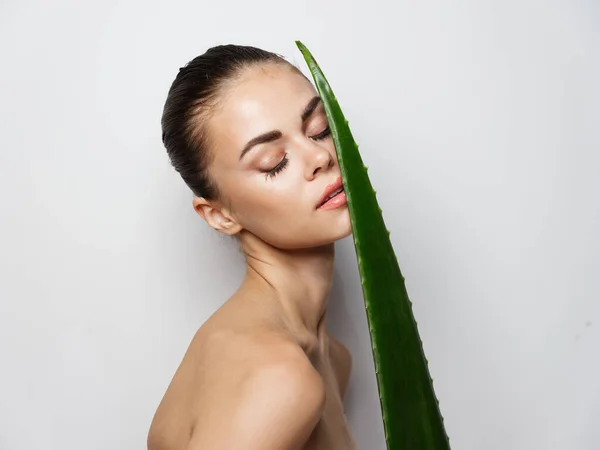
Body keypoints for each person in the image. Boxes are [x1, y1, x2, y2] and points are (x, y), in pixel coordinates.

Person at [147, 44, 357, 450]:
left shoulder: (331, 359)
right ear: (220, 215)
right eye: (274, 161)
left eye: (318, 128)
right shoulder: (280, 378)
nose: (319, 156)